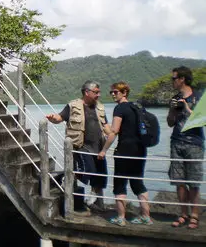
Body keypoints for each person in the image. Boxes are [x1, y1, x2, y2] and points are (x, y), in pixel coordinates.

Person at [45, 80, 112, 214]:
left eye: (99, 92)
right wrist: (53, 118)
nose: (98, 95)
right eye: (96, 92)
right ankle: (67, 178)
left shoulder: (100, 107)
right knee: (88, 171)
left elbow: (106, 126)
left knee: (101, 176)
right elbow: (60, 117)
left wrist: (115, 135)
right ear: (86, 92)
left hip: (98, 147)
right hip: (81, 146)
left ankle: (98, 204)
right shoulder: (73, 106)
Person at [98, 82, 152, 226]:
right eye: (112, 92)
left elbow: (114, 131)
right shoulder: (137, 107)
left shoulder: (120, 108)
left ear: (124, 92)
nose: (113, 94)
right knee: (138, 183)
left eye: (116, 92)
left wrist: (104, 150)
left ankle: (121, 218)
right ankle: (146, 217)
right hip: (140, 150)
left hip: (125, 151)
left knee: (120, 184)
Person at [167, 66, 203, 229]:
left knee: (194, 181)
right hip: (176, 141)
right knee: (179, 181)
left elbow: (201, 120)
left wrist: (187, 108)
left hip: (194, 143)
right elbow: (170, 122)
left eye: (174, 78)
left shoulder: (199, 97)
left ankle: (194, 215)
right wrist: (172, 110)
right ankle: (183, 213)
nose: (172, 81)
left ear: (182, 79)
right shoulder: (175, 98)